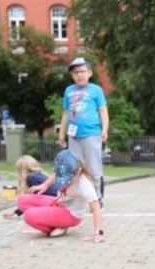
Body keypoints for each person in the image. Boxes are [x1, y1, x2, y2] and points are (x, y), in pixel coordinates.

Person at [17, 149, 104, 241]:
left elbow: (96, 208)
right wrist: (45, 185)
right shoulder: (64, 171)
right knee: (22, 200)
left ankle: (57, 226)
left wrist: (98, 232)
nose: (64, 182)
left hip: (71, 213)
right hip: (60, 203)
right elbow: (55, 175)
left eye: (68, 179)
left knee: (28, 215)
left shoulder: (84, 185)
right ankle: (56, 222)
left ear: (78, 171)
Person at [58, 57, 109, 207]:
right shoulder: (69, 90)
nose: (79, 75)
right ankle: (79, 198)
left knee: (94, 167)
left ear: (89, 73)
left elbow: (103, 110)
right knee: (75, 168)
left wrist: (105, 129)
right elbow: (66, 113)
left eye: (82, 71)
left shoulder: (96, 90)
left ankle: (98, 198)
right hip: (74, 135)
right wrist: (62, 133)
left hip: (92, 133)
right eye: (75, 73)